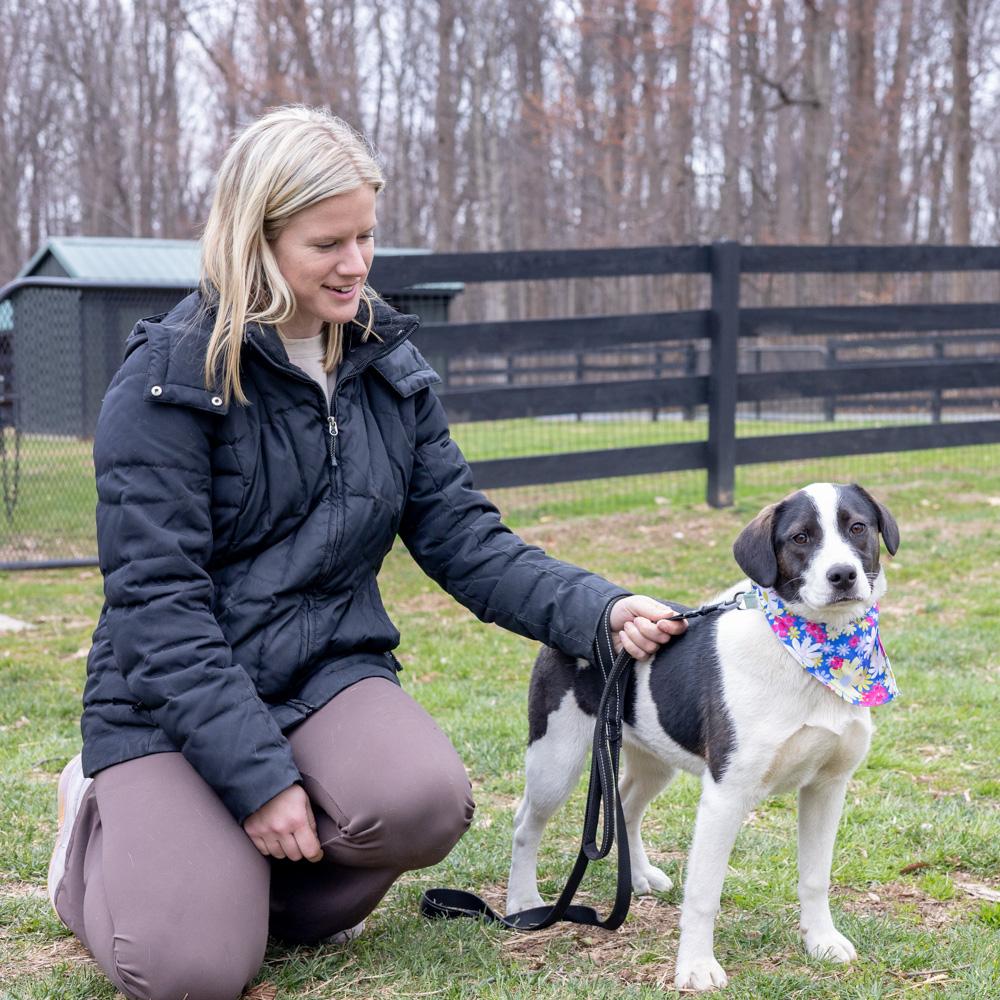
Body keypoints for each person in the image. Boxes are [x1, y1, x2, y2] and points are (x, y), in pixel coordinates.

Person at [47, 105, 686, 1000]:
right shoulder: (165, 383)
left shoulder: (384, 363)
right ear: (256, 240)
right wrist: (263, 781)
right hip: (170, 702)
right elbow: (158, 611)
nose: (356, 265)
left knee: (421, 802)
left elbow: (464, 536)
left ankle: (231, 879)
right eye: (327, 244)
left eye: (367, 237)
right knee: (192, 973)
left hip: (322, 671)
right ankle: (92, 838)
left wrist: (600, 610)